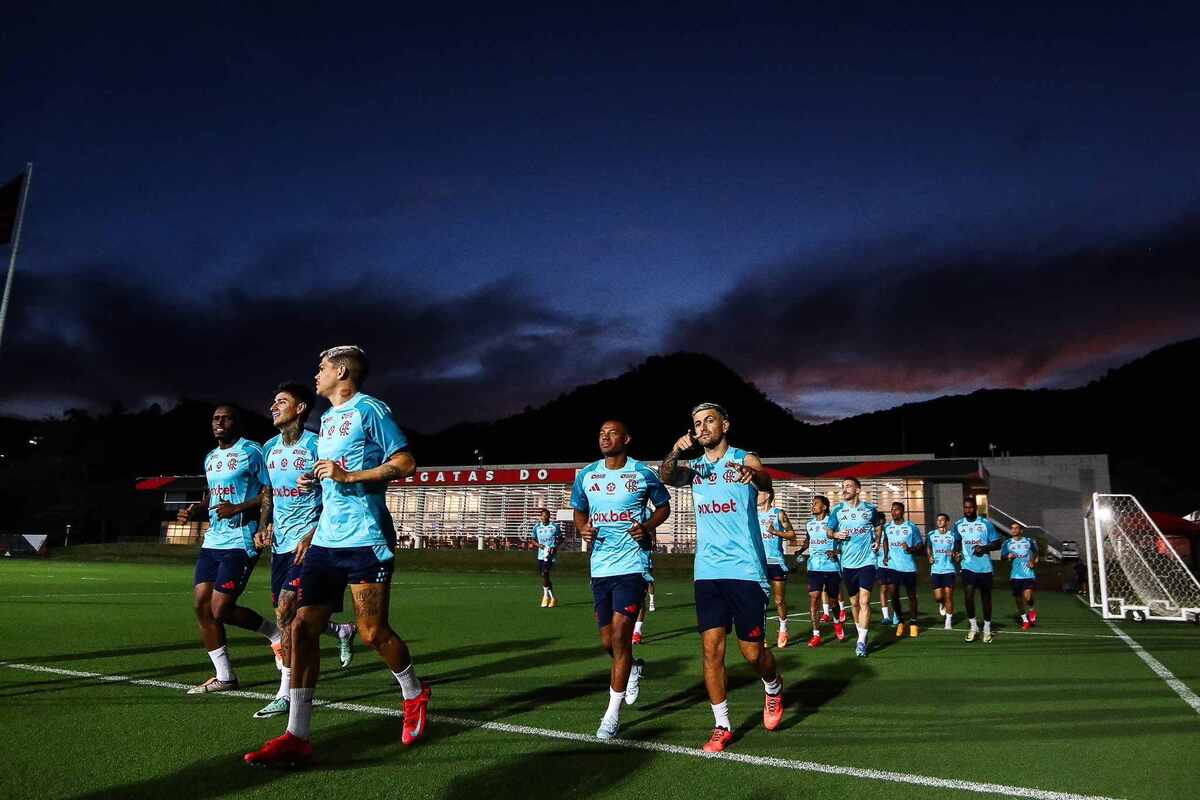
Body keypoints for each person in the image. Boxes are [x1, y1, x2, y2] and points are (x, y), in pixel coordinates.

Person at [244, 346, 426, 766]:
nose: (317, 374)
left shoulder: (370, 409)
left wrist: (350, 476)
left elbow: (406, 461)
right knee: (302, 628)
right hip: (326, 540)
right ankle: (297, 734)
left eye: (321, 368)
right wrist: (321, 480)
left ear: (341, 371)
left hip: (366, 538)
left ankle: (414, 694)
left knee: (372, 634)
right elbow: (335, 473)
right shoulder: (326, 419)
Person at [661, 403, 784, 753]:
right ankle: (721, 725)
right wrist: (674, 451)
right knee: (711, 650)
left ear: (725, 425)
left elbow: (764, 478)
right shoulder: (696, 469)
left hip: (745, 570)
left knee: (751, 653)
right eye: (696, 423)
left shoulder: (745, 458)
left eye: (708, 420)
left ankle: (773, 686)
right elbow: (666, 476)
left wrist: (753, 477)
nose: (701, 427)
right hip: (708, 571)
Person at [251, 383, 357, 720]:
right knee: (291, 620)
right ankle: (341, 631)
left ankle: (284, 693)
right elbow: (268, 491)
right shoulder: (268, 448)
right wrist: (263, 525)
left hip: (312, 544)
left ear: (299, 409)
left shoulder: (318, 446)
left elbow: (337, 494)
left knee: (285, 611)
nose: (273, 406)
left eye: (281, 401)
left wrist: (313, 533)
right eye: (273, 400)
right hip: (281, 546)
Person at [573, 419, 670, 739]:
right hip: (600, 567)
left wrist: (648, 526)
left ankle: (611, 715)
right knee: (608, 642)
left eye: (611, 432)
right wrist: (582, 527)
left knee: (619, 634)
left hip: (632, 565)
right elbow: (579, 510)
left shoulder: (642, 473)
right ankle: (632, 670)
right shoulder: (586, 475)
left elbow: (664, 507)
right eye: (600, 432)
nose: (604, 436)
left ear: (626, 439)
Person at [178, 404, 279, 694]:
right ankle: (225, 677)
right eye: (215, 418)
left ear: (237, 423)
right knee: (201, 605)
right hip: (214, 540)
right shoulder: (210, 457)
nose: (219, 422)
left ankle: (274, 633)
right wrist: (194, 509)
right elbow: (211, 496)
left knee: (219, 608)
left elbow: (268, 492)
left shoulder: (252, 451)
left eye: (225, 418)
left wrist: (245, 512)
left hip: (241, 539)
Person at [827, 478, 884, 657]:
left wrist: (877, 541)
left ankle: (861, 642)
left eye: (848, 486)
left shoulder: (869, 509)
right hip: (848, 563)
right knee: (853, 603)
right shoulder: (837, 510)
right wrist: (836, 534)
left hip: (867, 562)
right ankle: (862, 634)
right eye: (843, 487)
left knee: (864, 601)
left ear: (858, 490)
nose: (845, 489)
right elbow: (829, 532)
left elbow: (879, 525)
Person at [952, 497, 1005, 643]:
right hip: (967, 566)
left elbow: (998, 543)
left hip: (985, 567)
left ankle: (987, 628)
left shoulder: (985, 523)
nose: (967, 510)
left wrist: (984, 548)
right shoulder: (958, 525)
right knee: (968, 595)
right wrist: (956, 553)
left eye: (970, 507)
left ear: (975, 508)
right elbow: (957, 541)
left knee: (985, 598)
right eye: (965, 507)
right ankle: (973, 627)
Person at [757, 488, 801, 648]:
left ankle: (783, 629)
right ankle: (761, 635)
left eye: (759, 493)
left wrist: (775, 531)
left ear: (768, 495)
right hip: (758, 563)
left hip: (776, 562)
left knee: (779, 600)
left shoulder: (778, 513)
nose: (756, 496)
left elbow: (792, 535)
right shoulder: (753, 514)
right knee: (759, 601)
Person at [803, 495, 843, 647]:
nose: (813, 506)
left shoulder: (833, 524)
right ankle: (816, 635)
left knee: (833, 601)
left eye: (816, 504)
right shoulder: (810, 524)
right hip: (814, 567)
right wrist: (801, 549)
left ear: (824, 507)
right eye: (812, 503)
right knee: (814, 598)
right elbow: (808, 539)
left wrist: (836, 552)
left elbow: (842, 542)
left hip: (831, 566)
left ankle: (837, 622)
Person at [880, 502, 924, 638]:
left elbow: (920, 545)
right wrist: (886, 555)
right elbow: (885, 540)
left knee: (911, 595)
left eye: (896, 510)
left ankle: (913, 622)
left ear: (902, 511)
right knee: (893, 594)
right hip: (893, 567)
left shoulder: (911, 527)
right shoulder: (887, 527)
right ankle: (900, 620)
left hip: (908, 567)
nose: (893, 512)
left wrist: (910, 549)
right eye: (892, 510)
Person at [1001, 522, 1039, 629]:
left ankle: (1031, 610)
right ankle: (1025, 620)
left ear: (1021, 530)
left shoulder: (1028, 541)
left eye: (1016, 528)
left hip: (1028, 574)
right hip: (1015, 576)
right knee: (1018, 599)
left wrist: (1032, 561)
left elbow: (1035, 551)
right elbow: (1002, 557)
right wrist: (1008, 556)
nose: (1013, 530)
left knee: (1028, 597)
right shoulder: (1007, 543)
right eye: (1012, 528)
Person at [926, 513, 958, 631]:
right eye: (938, 520)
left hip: (949, 569)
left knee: (949, 595)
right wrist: (929, 556)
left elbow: (956, 551)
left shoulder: (952, 536)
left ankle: (948, 621)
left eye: (942, 520)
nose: (939, 522)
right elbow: (928, 547)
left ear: (947, 522)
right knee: (939, 597)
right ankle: (941, 603)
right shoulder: (931, 535)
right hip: (936, 569)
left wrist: (954, 554)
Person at [533, 509, 562, 607]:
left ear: (549, 516)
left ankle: (545, 596)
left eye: (546, 515)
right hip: (541, 555)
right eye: (542, 516)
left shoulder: (554, 527)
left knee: (545, 572)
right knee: (545, 576)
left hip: (550, 555)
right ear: (540, 517)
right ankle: (553, 598)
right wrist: (538, 545)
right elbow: (532, 540)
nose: (544, 517)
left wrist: (555, 547)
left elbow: (561, 539)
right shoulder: (536, 527)